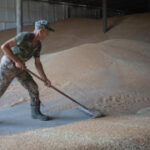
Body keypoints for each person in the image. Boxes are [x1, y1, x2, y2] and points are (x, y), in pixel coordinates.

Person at [0, 20, 55, 121]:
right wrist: (16, 60)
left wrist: (45, 79)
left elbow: (37, 63)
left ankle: (36, 113)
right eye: (47, 32)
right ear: (41, 31)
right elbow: (4, 47)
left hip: (21, 68)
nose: (47, 35)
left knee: (33, 87)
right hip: (8, 65)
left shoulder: (38, 45)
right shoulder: (24, 36)